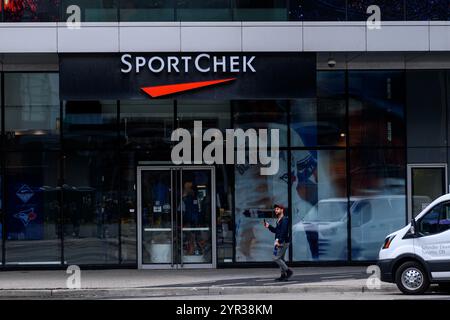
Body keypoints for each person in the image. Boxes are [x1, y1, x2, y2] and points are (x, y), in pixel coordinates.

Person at [263, 204, 293, 281]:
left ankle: (288, 271)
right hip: (281, 241)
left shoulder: (284, 220)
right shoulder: (279, 220)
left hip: (283, 242)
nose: (276, 210)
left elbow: (283, 232)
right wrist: (269, 226)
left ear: (282, 210)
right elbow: (277, 231)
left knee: (275, 258)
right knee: (281, 259)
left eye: (277, 209)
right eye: (275, 209)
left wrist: (278, 241)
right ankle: (283, 275)